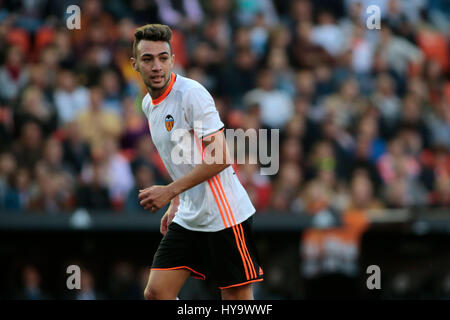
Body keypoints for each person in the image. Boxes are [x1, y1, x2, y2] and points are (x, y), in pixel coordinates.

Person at [130, 24, 263, 300]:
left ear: (173, 60)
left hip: (224, 215)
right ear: (135, 65)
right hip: (190, 214)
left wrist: (169, 191)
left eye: (163, 58)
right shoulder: (147, 104)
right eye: (148, 59)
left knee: (236, 301)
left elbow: (222, 157)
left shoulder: (191, 94)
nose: (156, 66)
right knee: (156, 293)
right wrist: (176, 203)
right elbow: (181, 157)